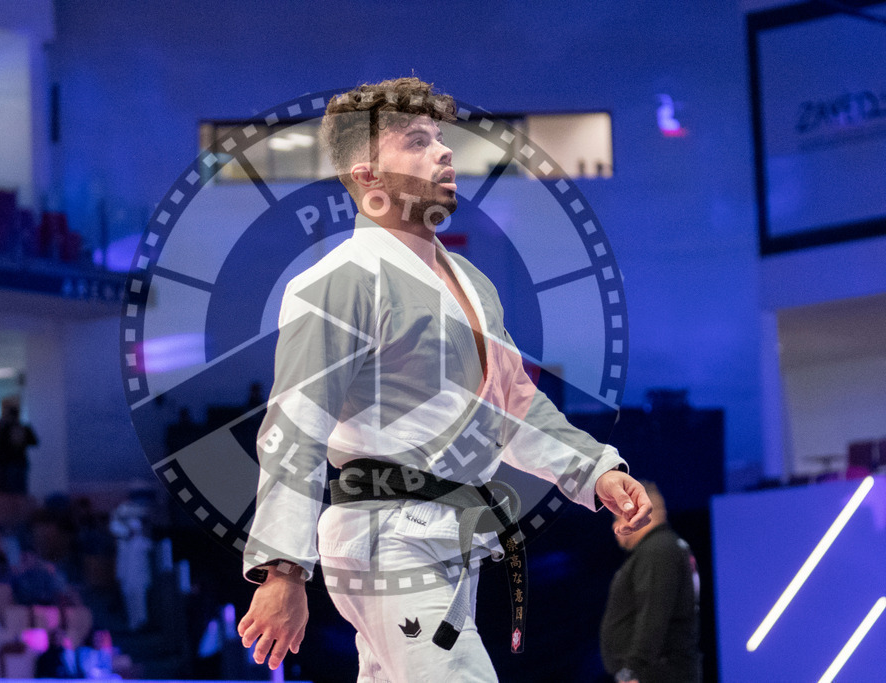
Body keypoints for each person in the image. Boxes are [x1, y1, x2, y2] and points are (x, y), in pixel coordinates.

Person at [237, 77, 652, 681]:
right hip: (385, 535)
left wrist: (595, 471)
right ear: (367, 174)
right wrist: (283, 570)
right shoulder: (338, 281)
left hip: (451, 537)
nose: (444, 152)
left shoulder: (473, 283)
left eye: (440, 138)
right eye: (417, 141)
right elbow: (295, 427)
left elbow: (514, 404)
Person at [599, 482, 700, 683]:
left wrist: (632, 670)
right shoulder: (666, 546)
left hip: (656, 674)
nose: (614, 526)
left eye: (617, 516)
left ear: (639, 512)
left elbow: (654, 615)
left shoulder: (658, 550)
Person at [0, 399, 39, 495]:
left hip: (12, 465)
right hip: (13, 464)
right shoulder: (15, 427)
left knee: (12, 493)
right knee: (13, 492)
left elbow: (34, 441)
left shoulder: (11, 427)